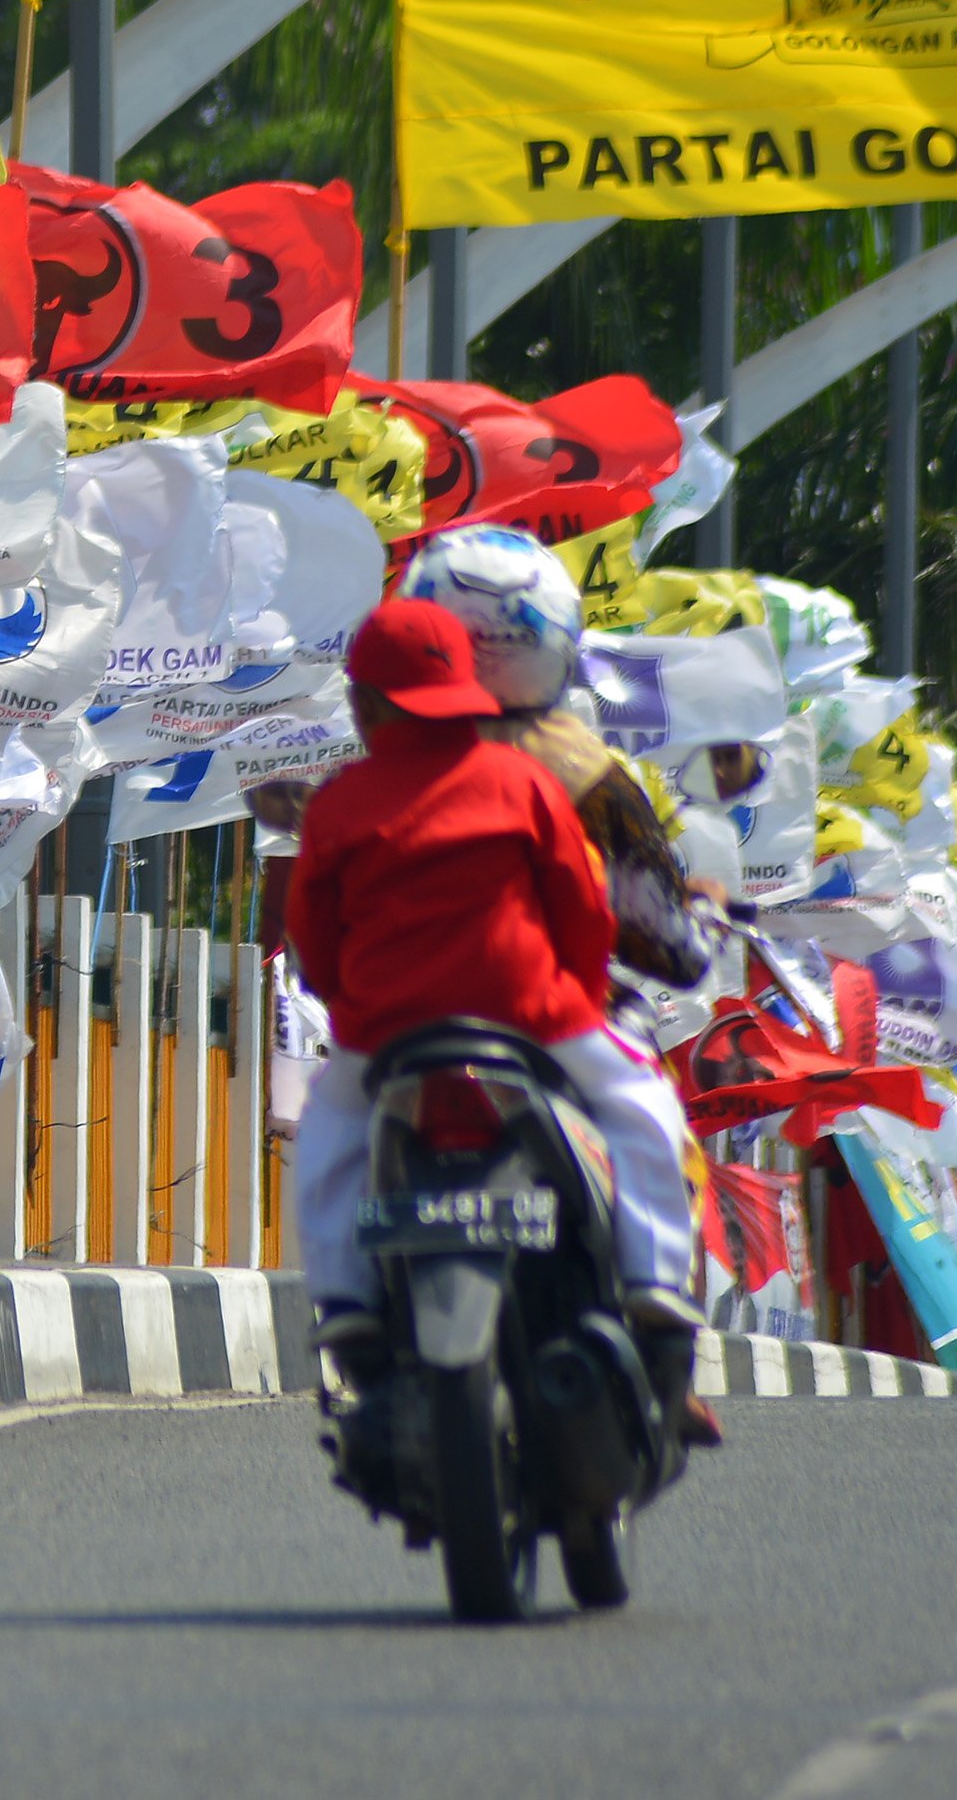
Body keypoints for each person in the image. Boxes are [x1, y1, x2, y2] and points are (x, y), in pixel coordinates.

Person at [283, 596, 719, 1446]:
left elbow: (314, 937)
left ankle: (344, 1304)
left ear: (365, 704)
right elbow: (584, 914)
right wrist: (574, 994)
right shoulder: (526, 781)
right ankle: (657, 1284)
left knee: (328, 1145)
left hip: (387, 1040)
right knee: (644, 1116)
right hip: (540, 1023)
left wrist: (354, 1013)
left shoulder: (339, 803)